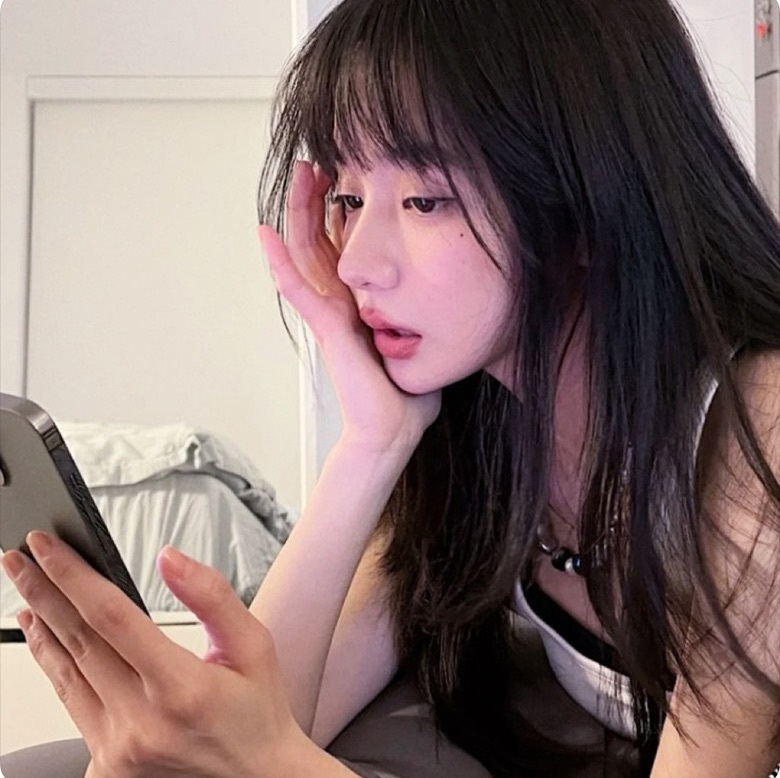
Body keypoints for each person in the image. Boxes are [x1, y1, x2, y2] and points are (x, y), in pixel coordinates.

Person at [2, 0, 780, 776]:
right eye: (346, 198)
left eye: (425, 200)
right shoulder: (479, 436)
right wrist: (374, 439)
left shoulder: (760, 424)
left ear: (586, 207)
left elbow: (258, 748)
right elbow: (263, 714)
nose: (354, 263)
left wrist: (266, 760)